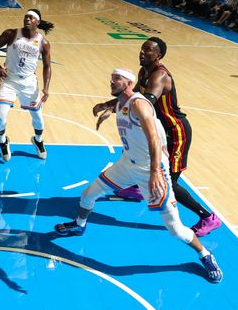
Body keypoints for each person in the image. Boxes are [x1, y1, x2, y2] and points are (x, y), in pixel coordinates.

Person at [55, 69, 223, 283]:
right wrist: (106, 108)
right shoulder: (123, 103)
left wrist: (154, 172)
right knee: (87, 195)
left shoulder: (139, 104)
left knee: (175, 230)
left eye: (117, 79)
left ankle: (205, 255)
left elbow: (153, 137)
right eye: (111, 78)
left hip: (150, 169)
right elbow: (119, 107)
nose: (112, 81)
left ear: (129, 83)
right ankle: (79, 225)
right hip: (127, 164)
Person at [93, 37, 221, 236]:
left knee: (170, 183)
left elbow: (145, 101)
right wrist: (108, 104)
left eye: (148, 50)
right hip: (158, 128)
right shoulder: (144, 71)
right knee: (139, 154)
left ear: (158, 55)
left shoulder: (160, 76)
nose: (142, 52)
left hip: (175, 133)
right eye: (142, 48)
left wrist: (116, 108)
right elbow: (131, 94)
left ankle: (208, 217)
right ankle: (137, 188)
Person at [0, 9, 53, 161]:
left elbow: (47, 66)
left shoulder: (43, 42)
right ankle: (3, 141)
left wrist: (46, 88)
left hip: (29, 84)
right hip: (9, 81)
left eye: (31, 18)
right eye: (26, 17)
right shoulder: (11, 34)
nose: (27, 19)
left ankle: (38, 140)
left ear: (37, 22)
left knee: (37, 118)